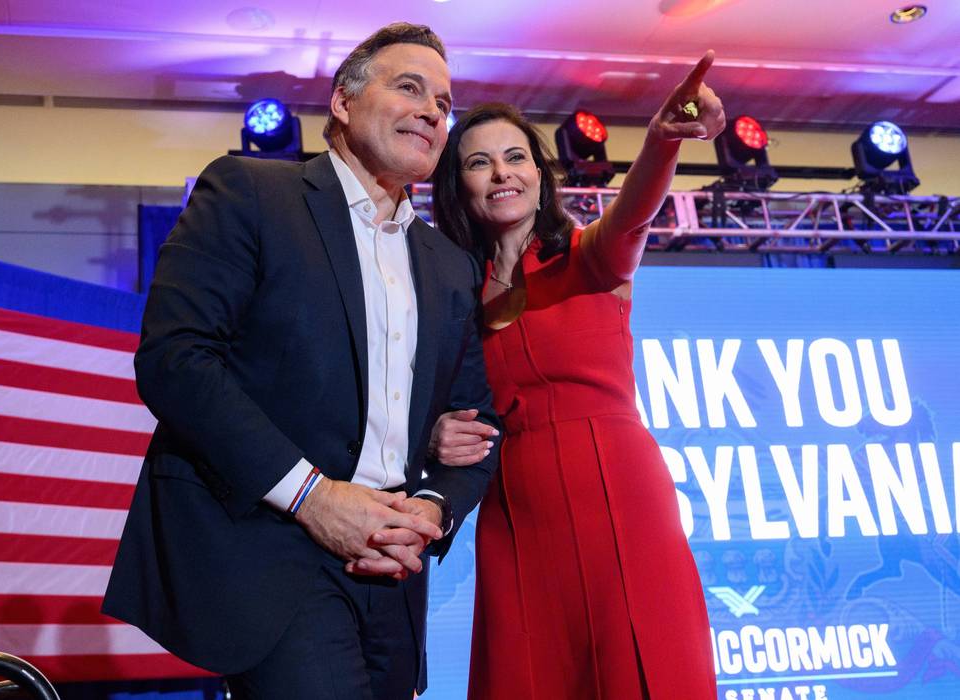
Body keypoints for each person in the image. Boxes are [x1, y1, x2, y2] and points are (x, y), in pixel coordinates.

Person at [101, 22, 501, 700]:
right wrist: (313, 498)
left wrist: (430, 511)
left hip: (395, 573)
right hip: (276, 554)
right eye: (409, 87)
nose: (434, 111)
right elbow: (176, 358)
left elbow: (473, 429)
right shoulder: (252, 193)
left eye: (443, 101)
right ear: (342, 103)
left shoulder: (450, 266)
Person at [428, 54, 725, 698]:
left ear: (540, 173)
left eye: (515, 157)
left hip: (620, 499)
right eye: (479, 162)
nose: (501, 172)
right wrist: (436, 435)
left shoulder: (593, 255)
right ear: (460, 187)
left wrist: (663, 139)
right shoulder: (451, 295)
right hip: (516, 518)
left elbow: (636, 212)